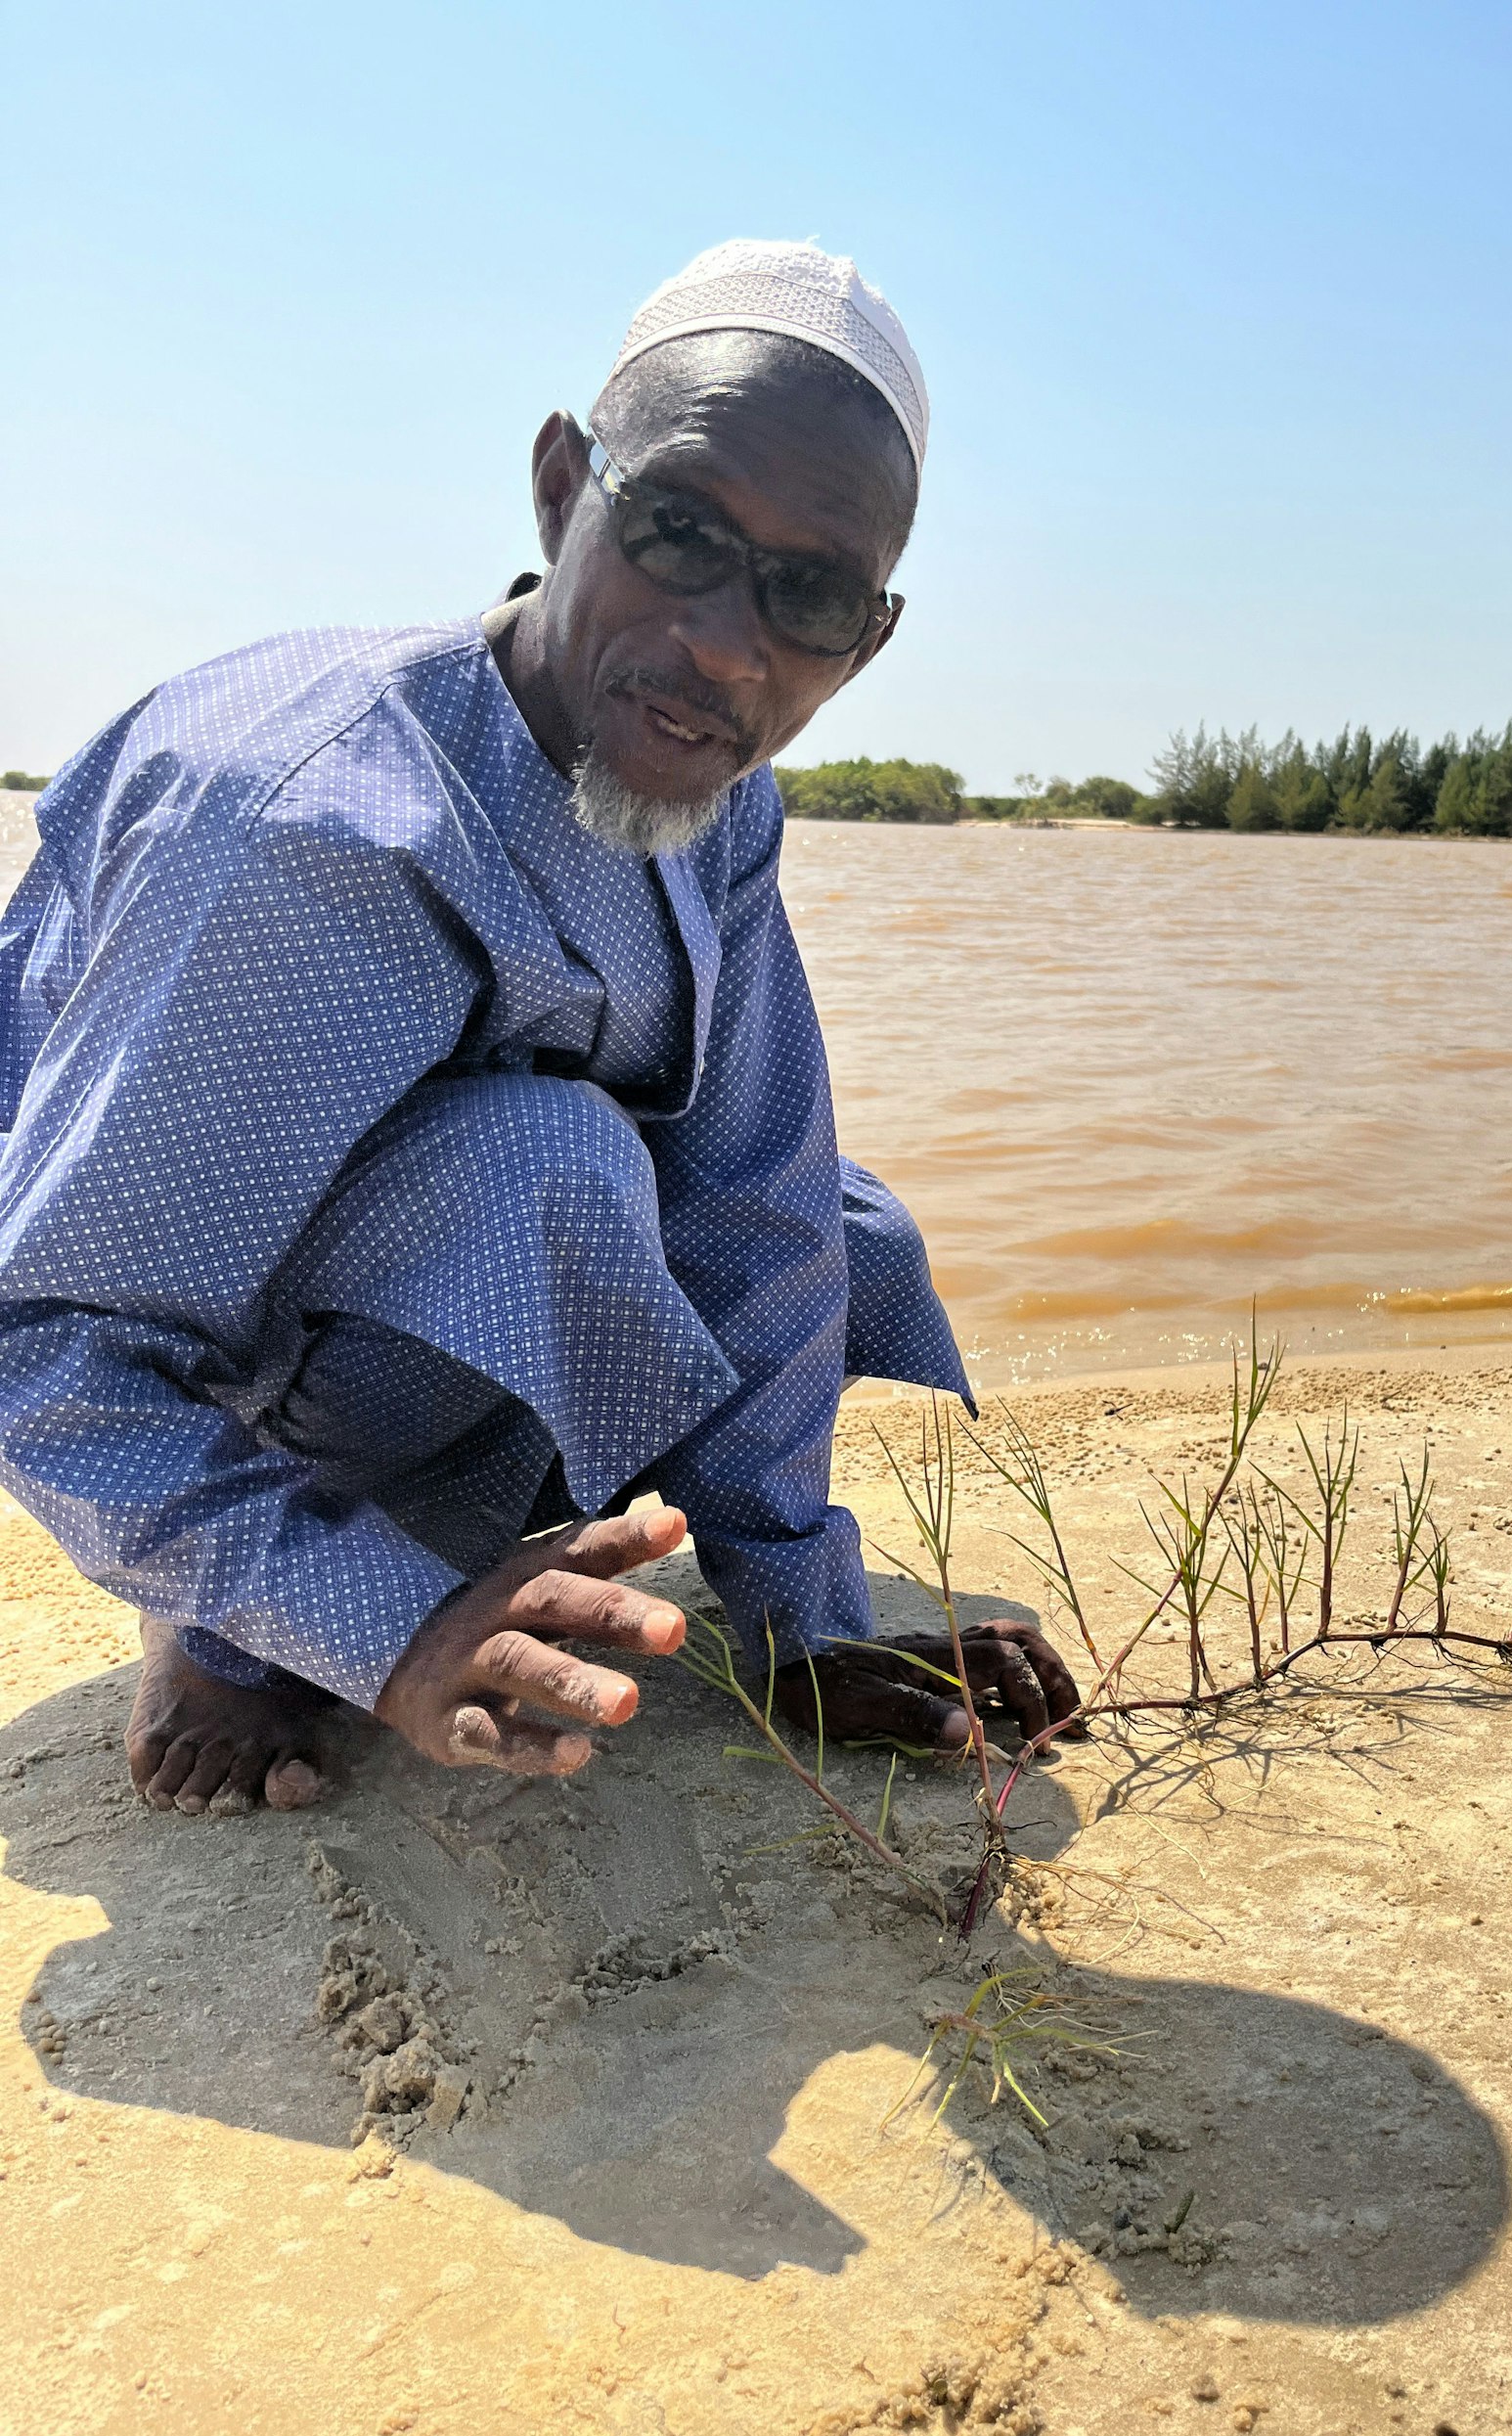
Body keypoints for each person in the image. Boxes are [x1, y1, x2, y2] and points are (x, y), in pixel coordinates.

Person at [0, 240, 1081, 1817]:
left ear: (873, 635)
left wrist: (800, 1620)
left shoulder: (720, 789)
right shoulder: (311, 823)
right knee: (556, 1169)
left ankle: (442, 1547)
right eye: (680, 533)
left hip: (401, 1271)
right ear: (564, 487)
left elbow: (757, 1185)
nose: (728, 642)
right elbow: (41, 1348)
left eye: (809, 594)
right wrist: (386, 1633)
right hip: (177, 1293)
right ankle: (234, 1629)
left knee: (848, 1223)